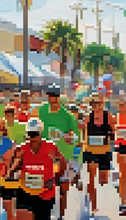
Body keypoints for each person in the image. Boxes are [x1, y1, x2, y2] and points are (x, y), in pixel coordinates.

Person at [7, 118, 66, 220]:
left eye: (35, 134)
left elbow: (62, 164)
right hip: (26, 192)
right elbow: (12, 169)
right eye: (30, 134)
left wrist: (56, 178)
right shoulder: (21, 149)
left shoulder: (50, 147)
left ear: (40, 133)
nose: (33, 137)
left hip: (44, 194)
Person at [37, 86, 79, 219]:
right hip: (45, 156)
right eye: (50, 96)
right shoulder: (41, 110)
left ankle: (61, 216)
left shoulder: (68, 115)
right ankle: (46, 215)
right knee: (45, 189)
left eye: (55, 96)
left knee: (63, 189)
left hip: (64, 156)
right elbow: (32, 126)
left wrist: (69, 139)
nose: (52, 99)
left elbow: (76, 138)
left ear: (59, 97)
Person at [83, 94, 114, 217]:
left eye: (98, 103)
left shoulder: (108, 116)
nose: (96, 106)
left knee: (103, 179)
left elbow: (113, 131)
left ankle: (94, 195)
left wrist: (110, 134)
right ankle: (93, 206)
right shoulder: (87, 117)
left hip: (104, 151)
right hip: (90, 150)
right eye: (93, 103)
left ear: (103, 103)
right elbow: (84, 134)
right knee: (92, 178)